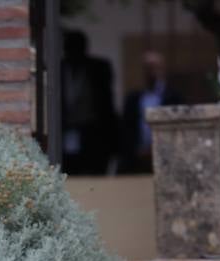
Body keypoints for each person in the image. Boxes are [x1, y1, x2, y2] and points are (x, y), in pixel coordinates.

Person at [60, 30, 118, 175]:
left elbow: (107, 103)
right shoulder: (58, 68)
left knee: (94, 172)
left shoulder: (99, 68)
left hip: (93, 133)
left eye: (76, 47)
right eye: (69, 47)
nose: (72, 52)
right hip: (65, 132)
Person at [120, 50, 184, 174]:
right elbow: (127, 130)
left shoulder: (173, 97)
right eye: (147, 68)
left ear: (163, 69)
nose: (151, 72)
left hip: (166, 157)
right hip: (138, 158)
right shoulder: (133, 99)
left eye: (155, 67)